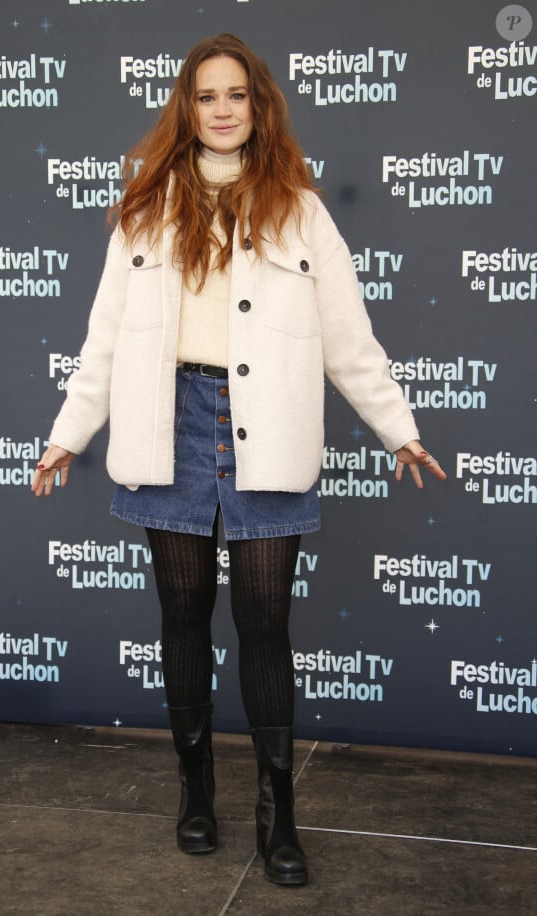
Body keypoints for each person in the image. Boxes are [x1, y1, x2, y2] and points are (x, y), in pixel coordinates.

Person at [32, 33, 446, 886]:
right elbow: (104, 339)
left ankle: (276, 815)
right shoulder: (144, 207)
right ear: (187, 109)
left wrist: (397, 426)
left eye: (238, 95)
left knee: (264, 624)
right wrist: (67, 434)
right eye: (206, 95)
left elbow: (347, 337)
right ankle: (194, 793)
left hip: (266, 424)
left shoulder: (300, 209)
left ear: (259, 108)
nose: (222, 108)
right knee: (182, 612)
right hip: (171, 421)